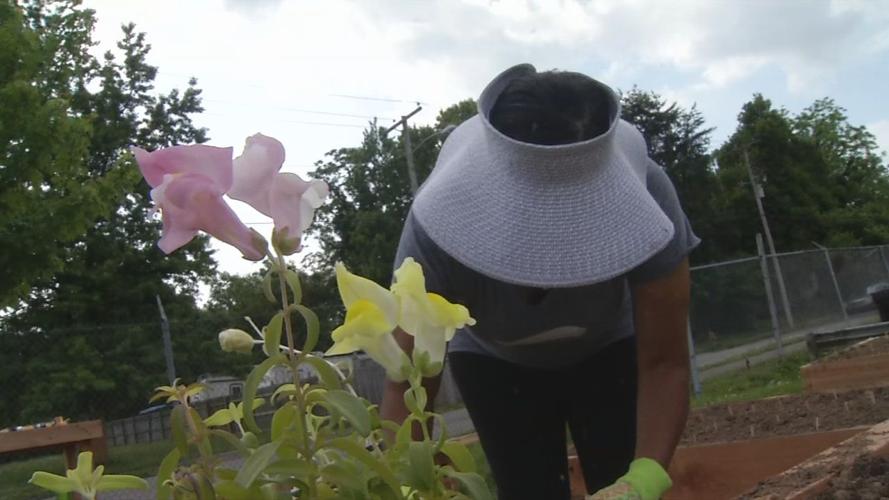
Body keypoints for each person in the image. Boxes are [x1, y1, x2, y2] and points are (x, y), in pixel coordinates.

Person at [381, 64, 699, 500]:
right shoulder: (436, 222)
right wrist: (418, 484)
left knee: (619, 470)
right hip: (494, 363)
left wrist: (643, 479)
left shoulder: (648, 194)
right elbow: (408, 383)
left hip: (610, 349)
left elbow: (665, 361)